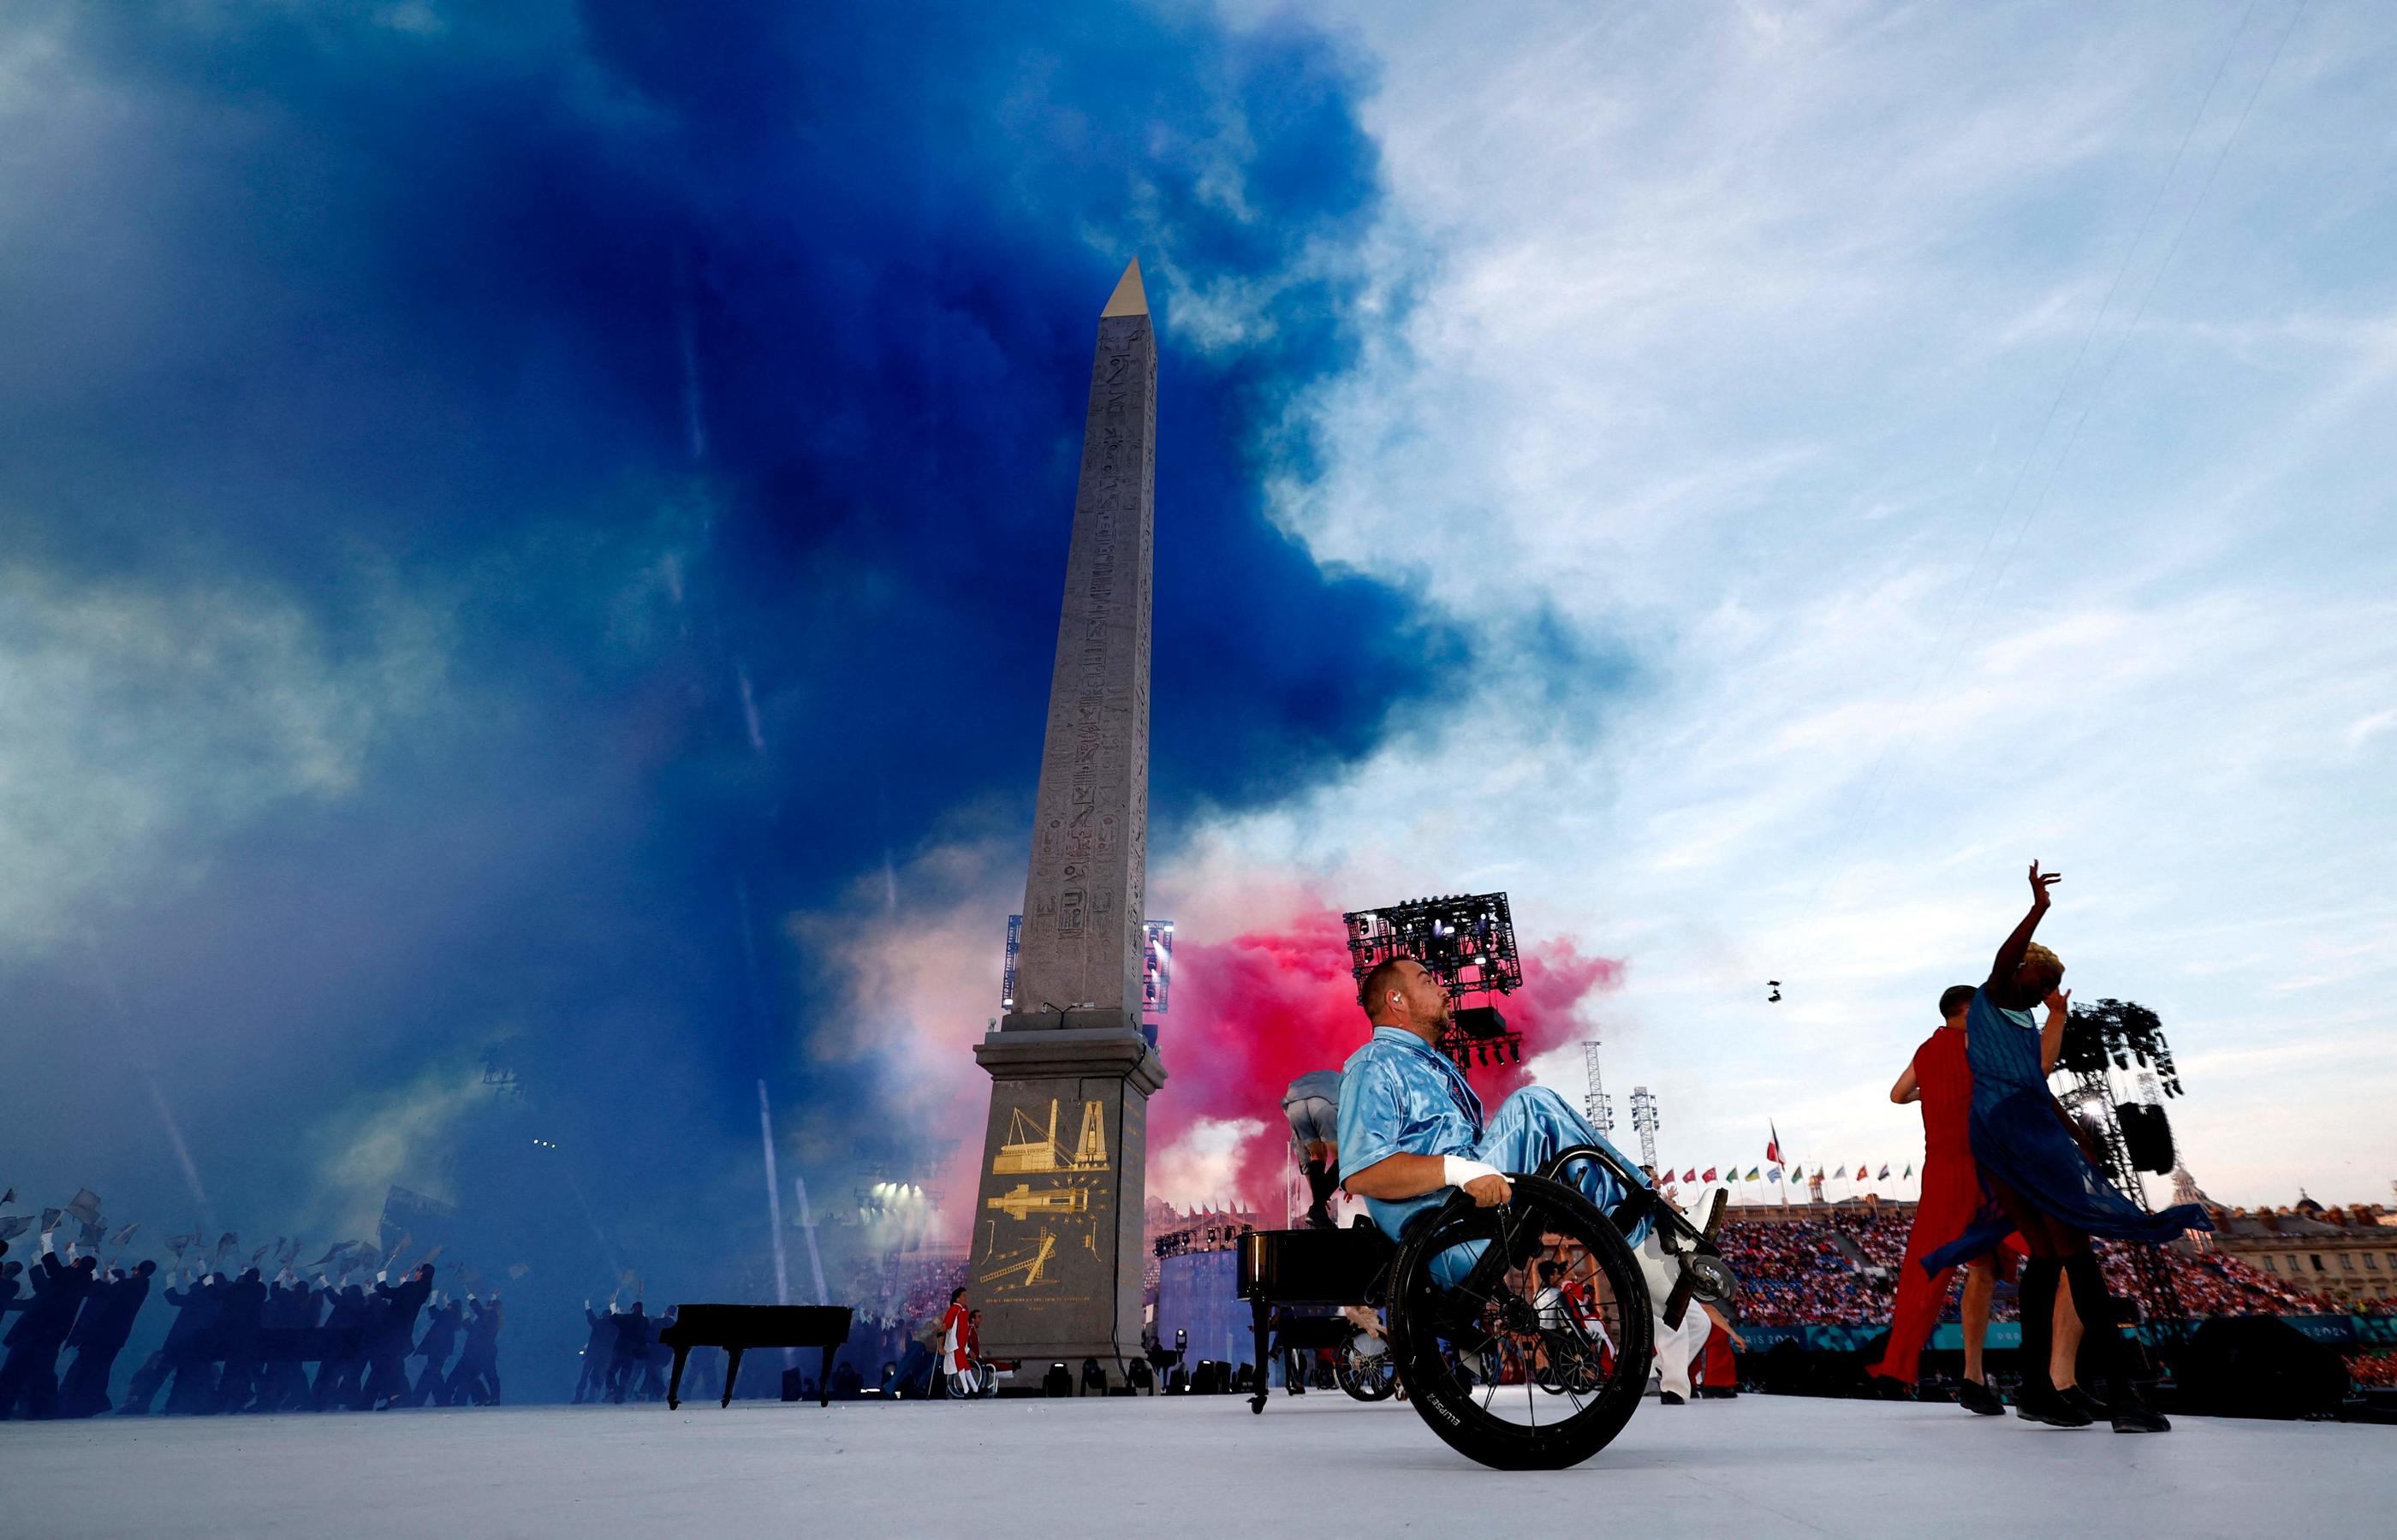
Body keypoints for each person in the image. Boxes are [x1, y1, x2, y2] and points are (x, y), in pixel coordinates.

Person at [1924, 863, 2211, 1433]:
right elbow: (2007, 959)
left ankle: (2035, 1390)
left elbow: (2034, 1082)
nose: (2048, 990)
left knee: (2049, 1254)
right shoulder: (1998, 991)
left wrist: (2081, 1139)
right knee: (2076, 1255)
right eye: (2044, 980)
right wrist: (2038, 909)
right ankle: (2124, 1395)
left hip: (2002, 1129)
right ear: (2026, 971)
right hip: (2017, 1132)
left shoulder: (2020, 1020)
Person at [1338, 957, 1652, 1269]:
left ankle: (1637, 1217)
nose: (1443, 991)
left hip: (1465, 1215)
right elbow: (1362, 1173)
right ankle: (1641, 1221)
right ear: (1396, 999)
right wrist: (1460, 1171)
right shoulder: (1374, 1064)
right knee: (1533, 1106)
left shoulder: (1431, 1065)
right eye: (1427, 981)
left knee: (1546, 1138)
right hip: (1441, 1233)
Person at [1870, 984, 2082, 1412]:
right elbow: (2038, 1067)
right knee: (2070, 1263)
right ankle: (2059, 1380)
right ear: (1968, 1011)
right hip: (1989, 1169)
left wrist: (1932, 1093)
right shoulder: (1977, 1042)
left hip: (1943, 1176)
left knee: (1977, 1269)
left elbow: (1896, 1095)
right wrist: (2056, 1015)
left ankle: (1972, 1378)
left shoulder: (1927, 1050)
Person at [0, 1234, 98, 1418]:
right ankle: (41, 1410)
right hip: (54, 1336)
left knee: (13, 1370)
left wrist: (45, 1246)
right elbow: (74, 1269)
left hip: (34, 1330)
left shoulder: (65, 1277)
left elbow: (49, 1272)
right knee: (43, 1373)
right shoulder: (85, 1284)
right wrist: (72, 1253)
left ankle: (3, 1408)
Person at [58, 1258, 154, 1418]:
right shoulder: (139, 1286)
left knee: (85, 1370)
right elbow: (114, 1286)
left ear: (138, 1271)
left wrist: (95, 1272)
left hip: (103, 1337)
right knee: (95, 1370)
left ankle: (75, 1405)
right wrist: (110, 1272)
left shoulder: (132, 1285)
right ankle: (85, 1404)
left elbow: (107, 1288)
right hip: (111, 1338)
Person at [1282, 1070, 1346, 1228]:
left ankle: (1318, 1213)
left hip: (1293, 1106)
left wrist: (1318, 1194)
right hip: (1325, 1102)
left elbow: (1303, 1154)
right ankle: (1317, 1211)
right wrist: (1348, 1179)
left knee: (1316, 1154)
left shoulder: (1326, 1079)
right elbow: (1355, 1136)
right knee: (1343, 1157)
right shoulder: (1345, 1081)